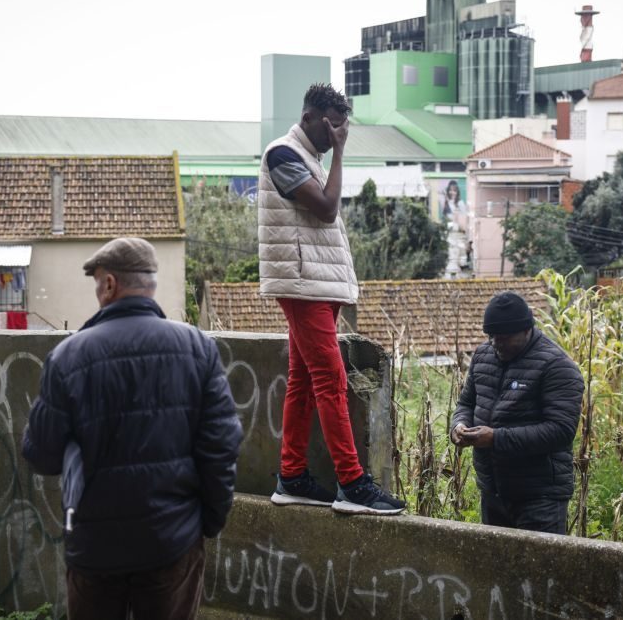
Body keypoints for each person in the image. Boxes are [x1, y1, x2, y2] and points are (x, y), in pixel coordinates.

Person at [22, 237, 242, 620]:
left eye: (97, 283)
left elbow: (40, 453)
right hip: (172, 543)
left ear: (109, 284)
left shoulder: (67, 357)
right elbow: (222, 446)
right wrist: (206, 523)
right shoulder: (197, 349)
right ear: (150, 284)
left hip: (95, 549)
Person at [258, 83, 404, 516]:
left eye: (342, 131)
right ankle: (353, 484)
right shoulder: (282, 154)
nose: (336, 137)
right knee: (330, 378)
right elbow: (326, 209)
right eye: (332, 129)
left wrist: (332, 153)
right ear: (309, 119)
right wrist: (340, 154)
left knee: (304, 379)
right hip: (303, 284)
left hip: (318, 284)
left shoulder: (307, 159)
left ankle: (292, 476)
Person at [451, 291, 583, 534]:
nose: (495, 344)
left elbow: (561, 431)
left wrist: (496, 438)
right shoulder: (483, 356)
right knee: (497, 570)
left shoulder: (557, 367)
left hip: (540, 497)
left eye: (504, 338)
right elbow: (466, 403)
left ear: (526, 330)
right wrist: (458, 426)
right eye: (491, 337)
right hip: (492, 491)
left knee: (539, 570)